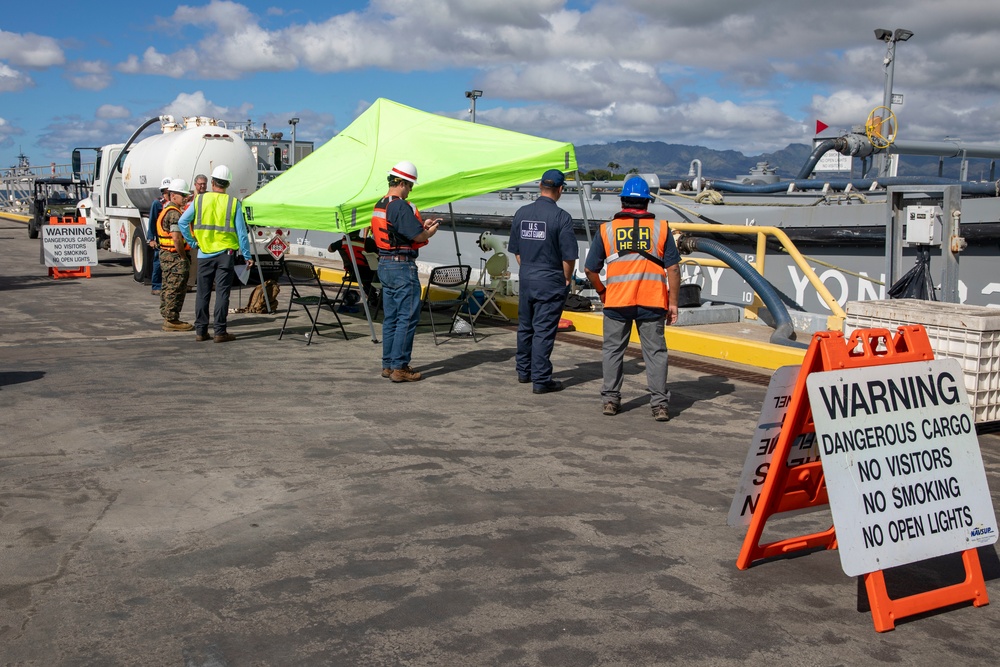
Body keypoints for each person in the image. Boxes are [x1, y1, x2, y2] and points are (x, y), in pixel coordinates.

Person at [584, 176, 681, 422]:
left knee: (613, 351)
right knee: (656, 353)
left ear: (622, 201)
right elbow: (673, 269)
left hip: (617, 302)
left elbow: (590, 270)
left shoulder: (606, 230)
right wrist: (673, 303)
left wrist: (602, 292)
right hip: (652, 302)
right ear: (647, 203)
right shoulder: (662, 229)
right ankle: (659, 405)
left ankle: (610, 400)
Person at [507, 169, 578, 394]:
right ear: (560, 190)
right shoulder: (562, 218)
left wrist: (528, 268)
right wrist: (566, 279)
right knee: (543, 330)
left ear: (540, 186)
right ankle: (541, 379)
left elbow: (516, 251)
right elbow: (569, 256)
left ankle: (523, 371)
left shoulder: (521, 212)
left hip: (527, 276)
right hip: (550, 279)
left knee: (526, 327)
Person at [372, 160, 441, 382]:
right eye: (410, 185)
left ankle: (388, 365)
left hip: (384, 264)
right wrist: (429, 232)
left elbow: (399, 230)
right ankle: (400, 367)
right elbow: (418, 237)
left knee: (390, 317)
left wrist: (421, 225)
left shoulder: (381, 204)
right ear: (401, 182)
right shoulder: (400, 205)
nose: (410, 189)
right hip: (401, 266)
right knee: (407, 317)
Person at [178, 165, 253, 343]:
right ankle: (220, 332)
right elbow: (242, 233)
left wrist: (192, 242)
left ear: (212, 182)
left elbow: (182, 222)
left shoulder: (199, 201)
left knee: (202, 294)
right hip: (225, 255)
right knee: (222, 294)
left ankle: (201, 331)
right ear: (228, 184)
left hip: (203, 253)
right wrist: (247, 256)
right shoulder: (233, 203)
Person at [156, 179, 194, 332]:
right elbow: (176, 238)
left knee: (168, 286)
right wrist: (183, 256)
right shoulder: (174, 214)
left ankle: (168, 316)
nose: (186, 198)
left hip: (167, 256)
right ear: (173, 196)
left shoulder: (168, 210)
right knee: (175, 287)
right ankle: (172, 319)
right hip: (174, 257)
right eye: (183, 195)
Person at [147, 176, 171, 295]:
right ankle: (156, 285)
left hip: (171, 240)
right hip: (160, 239)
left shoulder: (174, 204)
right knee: (158, 262)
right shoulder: (157, 204)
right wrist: (151, 238)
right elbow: (152, 222)